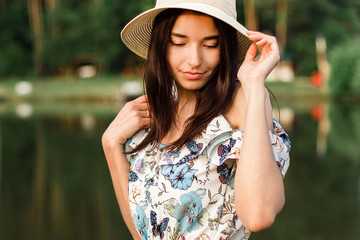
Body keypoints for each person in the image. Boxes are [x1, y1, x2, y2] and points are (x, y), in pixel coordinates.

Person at [102, 0, 291, 239]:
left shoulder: (242, 101)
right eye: (179, 42)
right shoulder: (157, 114)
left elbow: (258, 215)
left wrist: (254, 84)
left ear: (225, 48)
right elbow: (144, 235)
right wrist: (111, 145)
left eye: (211, 44)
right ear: (161, 45)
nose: (194, 59)